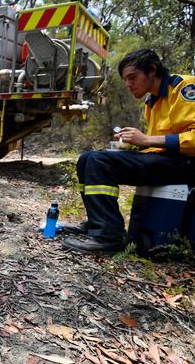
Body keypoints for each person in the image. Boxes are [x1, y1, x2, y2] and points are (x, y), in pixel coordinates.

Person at [62, 49, 195, 254]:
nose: (128, 84)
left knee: (100, 161)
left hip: (185, 163)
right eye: (125, 80)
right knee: (87, 158)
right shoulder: (151, 101)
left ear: (152, 70)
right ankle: (98, 224)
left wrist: (147, 139)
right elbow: (157, 143)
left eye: (132, 77)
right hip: (164, 160)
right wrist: (133, 145)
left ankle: (109, 237)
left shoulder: (183, 88)